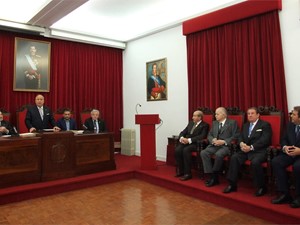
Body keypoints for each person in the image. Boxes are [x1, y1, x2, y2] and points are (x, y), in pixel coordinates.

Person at [223, 107, 272, 196]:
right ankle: (232, 184)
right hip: (246, 150)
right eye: (248, 113)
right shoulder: (245, 125)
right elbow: (240, 136)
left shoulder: (265, 125)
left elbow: (265, 140)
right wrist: (241, 143)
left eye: (252, 113)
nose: (250, 115)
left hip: (259, 151)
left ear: (258, 115)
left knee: (255, 162)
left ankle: (261, 187)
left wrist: (251, 147)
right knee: (234, 157)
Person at [200, 107, 239, 187]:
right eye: (215, 114)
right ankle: (211, 175)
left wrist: (224, 141)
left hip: (226, 146)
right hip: (215, 145)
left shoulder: (232, 123)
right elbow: (209, 135)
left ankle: (215, 176)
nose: (215, 115)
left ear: (224, 114)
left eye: (217, 114)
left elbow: (236, 136)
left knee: (219, 154)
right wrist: (212, 140)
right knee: (203, 152)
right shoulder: (214, 123)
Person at [271, 106, 300, 208]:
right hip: (289, 153)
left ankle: (298, 196)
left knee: (297, 167)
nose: (291, 116)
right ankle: (285, 194)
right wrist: (285, 147)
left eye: (294, 114)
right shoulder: (289, 125)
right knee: (276, 162)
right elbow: (283, 139)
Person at [174, 110, 209, 181]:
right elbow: (183, 132)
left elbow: (202, 136)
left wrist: (189, 140)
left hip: (196, 144)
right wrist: (182, 138)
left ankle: (188, 174)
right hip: (186, 142)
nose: (192, 117)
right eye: (193, 115)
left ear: (199, 117)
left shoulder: (205, 125)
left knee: (186, 150)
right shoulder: (190, 123)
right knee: (178, 150)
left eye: (194, 116)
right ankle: (181, 171)